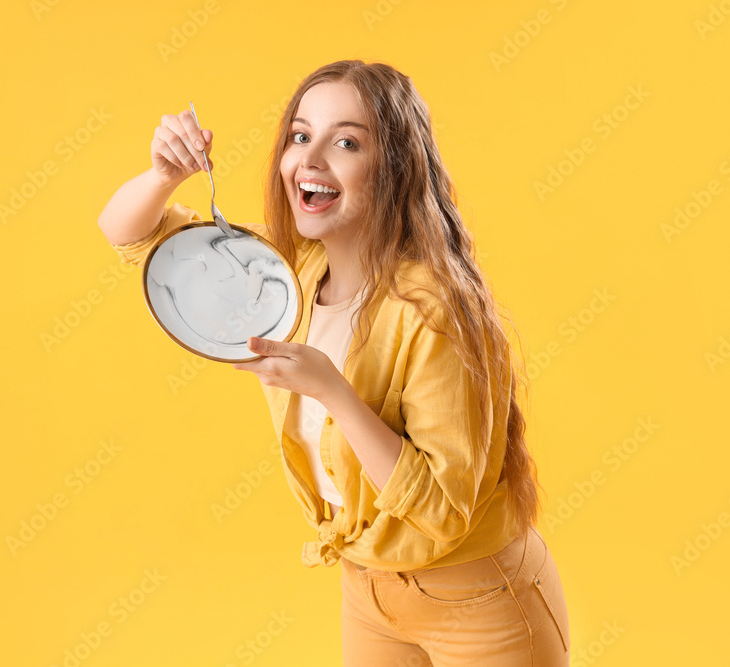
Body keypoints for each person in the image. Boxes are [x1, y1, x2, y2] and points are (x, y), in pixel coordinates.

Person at [98, 59, 570, 666]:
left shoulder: (434, 312)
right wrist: (164, 177)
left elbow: (442, 512)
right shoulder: (289, 272)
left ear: (394, 168)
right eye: (300, 136)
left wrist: (333, 391)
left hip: (478, 595)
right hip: (367, 587)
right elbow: (129, 234)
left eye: (346, 142)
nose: (310, 159)